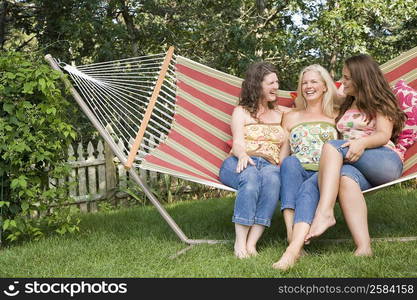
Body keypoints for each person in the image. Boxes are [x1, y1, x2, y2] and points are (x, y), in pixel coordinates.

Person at [305, 54, 407, 256]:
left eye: (347, 78)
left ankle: (325, 212)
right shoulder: (347, 102)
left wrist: (362, 142)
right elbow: (315, 96)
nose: (342, 82)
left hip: (383, 159)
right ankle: (364, 247)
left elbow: (383, 134)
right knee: (345, 180)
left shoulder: (380, 101)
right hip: (356, 162)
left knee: (331, 147)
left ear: (361, 78)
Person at [219, 61, 291, 259]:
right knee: (250, 178)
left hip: (269, 164)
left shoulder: (282, 113)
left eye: (277, 82)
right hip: (239, 161)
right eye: (271, 83)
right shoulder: (241, 111)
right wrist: (242, 155)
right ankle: (240, 243)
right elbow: (238, 143)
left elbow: (310, 111)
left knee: (273, 180)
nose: (276, 87)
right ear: (256, 84)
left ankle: (252, 244)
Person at [272, 64, 340, 270]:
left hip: (324, 174)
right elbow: (284, 152)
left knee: (307, 189)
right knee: (290, 163)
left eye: (313, 82)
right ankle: (292, 235)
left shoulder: (336, 115)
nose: (308, 86)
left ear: (325, 87)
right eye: (304, 83)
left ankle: (292, 249)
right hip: (296, 169)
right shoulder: (291, 116)